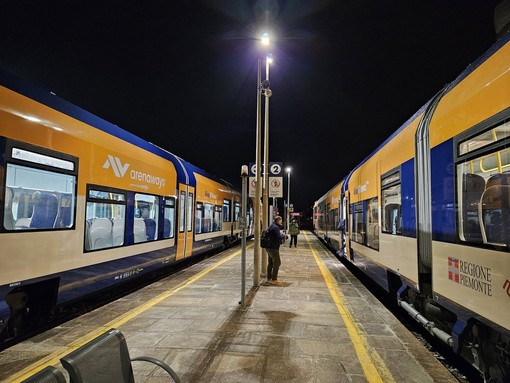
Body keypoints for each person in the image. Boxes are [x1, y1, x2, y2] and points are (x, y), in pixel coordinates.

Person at [265, 215, 285, 285]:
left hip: (269, 247)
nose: (281, 222)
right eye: (281, 221)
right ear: (278, 221)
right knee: (277, 262)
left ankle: (268, 278)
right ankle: (274, 279)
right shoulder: (275, 227)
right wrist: (284, 235)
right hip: (273, 248)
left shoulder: (271, 226)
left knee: (270, 262)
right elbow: (278, 237)